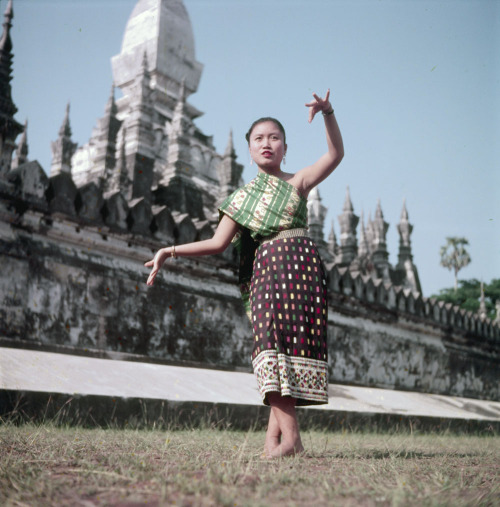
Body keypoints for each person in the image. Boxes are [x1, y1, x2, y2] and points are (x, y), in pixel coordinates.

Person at [145, 89, 344, 458]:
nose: (267, 143)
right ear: (249, 151)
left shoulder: (297, 183)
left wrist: (328, 112)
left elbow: (335, 155)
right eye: (259, 139)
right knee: (270, 350)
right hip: (267, 275)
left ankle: (275, 443)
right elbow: (217, 243)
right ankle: (293, 443)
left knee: (291, 352)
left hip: (302, 273)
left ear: (285, 146)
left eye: (274, 138)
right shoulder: (240, 199)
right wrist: (168, 250)